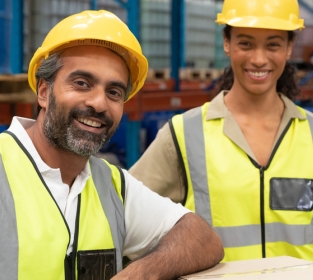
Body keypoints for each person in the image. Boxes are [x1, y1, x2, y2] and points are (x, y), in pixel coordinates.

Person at [129, 0, 313, 279]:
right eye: (246, 44)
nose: (258, 59)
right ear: (227, 42)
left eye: (272, 45)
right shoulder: (183, 134)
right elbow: (128, 217)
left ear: (288, 47)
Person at [0, 10, 224, 280]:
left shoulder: (112, 186)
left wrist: (141, 272)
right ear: (44, 93)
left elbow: (203, 238)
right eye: (82, 83)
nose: (99, 103)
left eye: (114, 92)